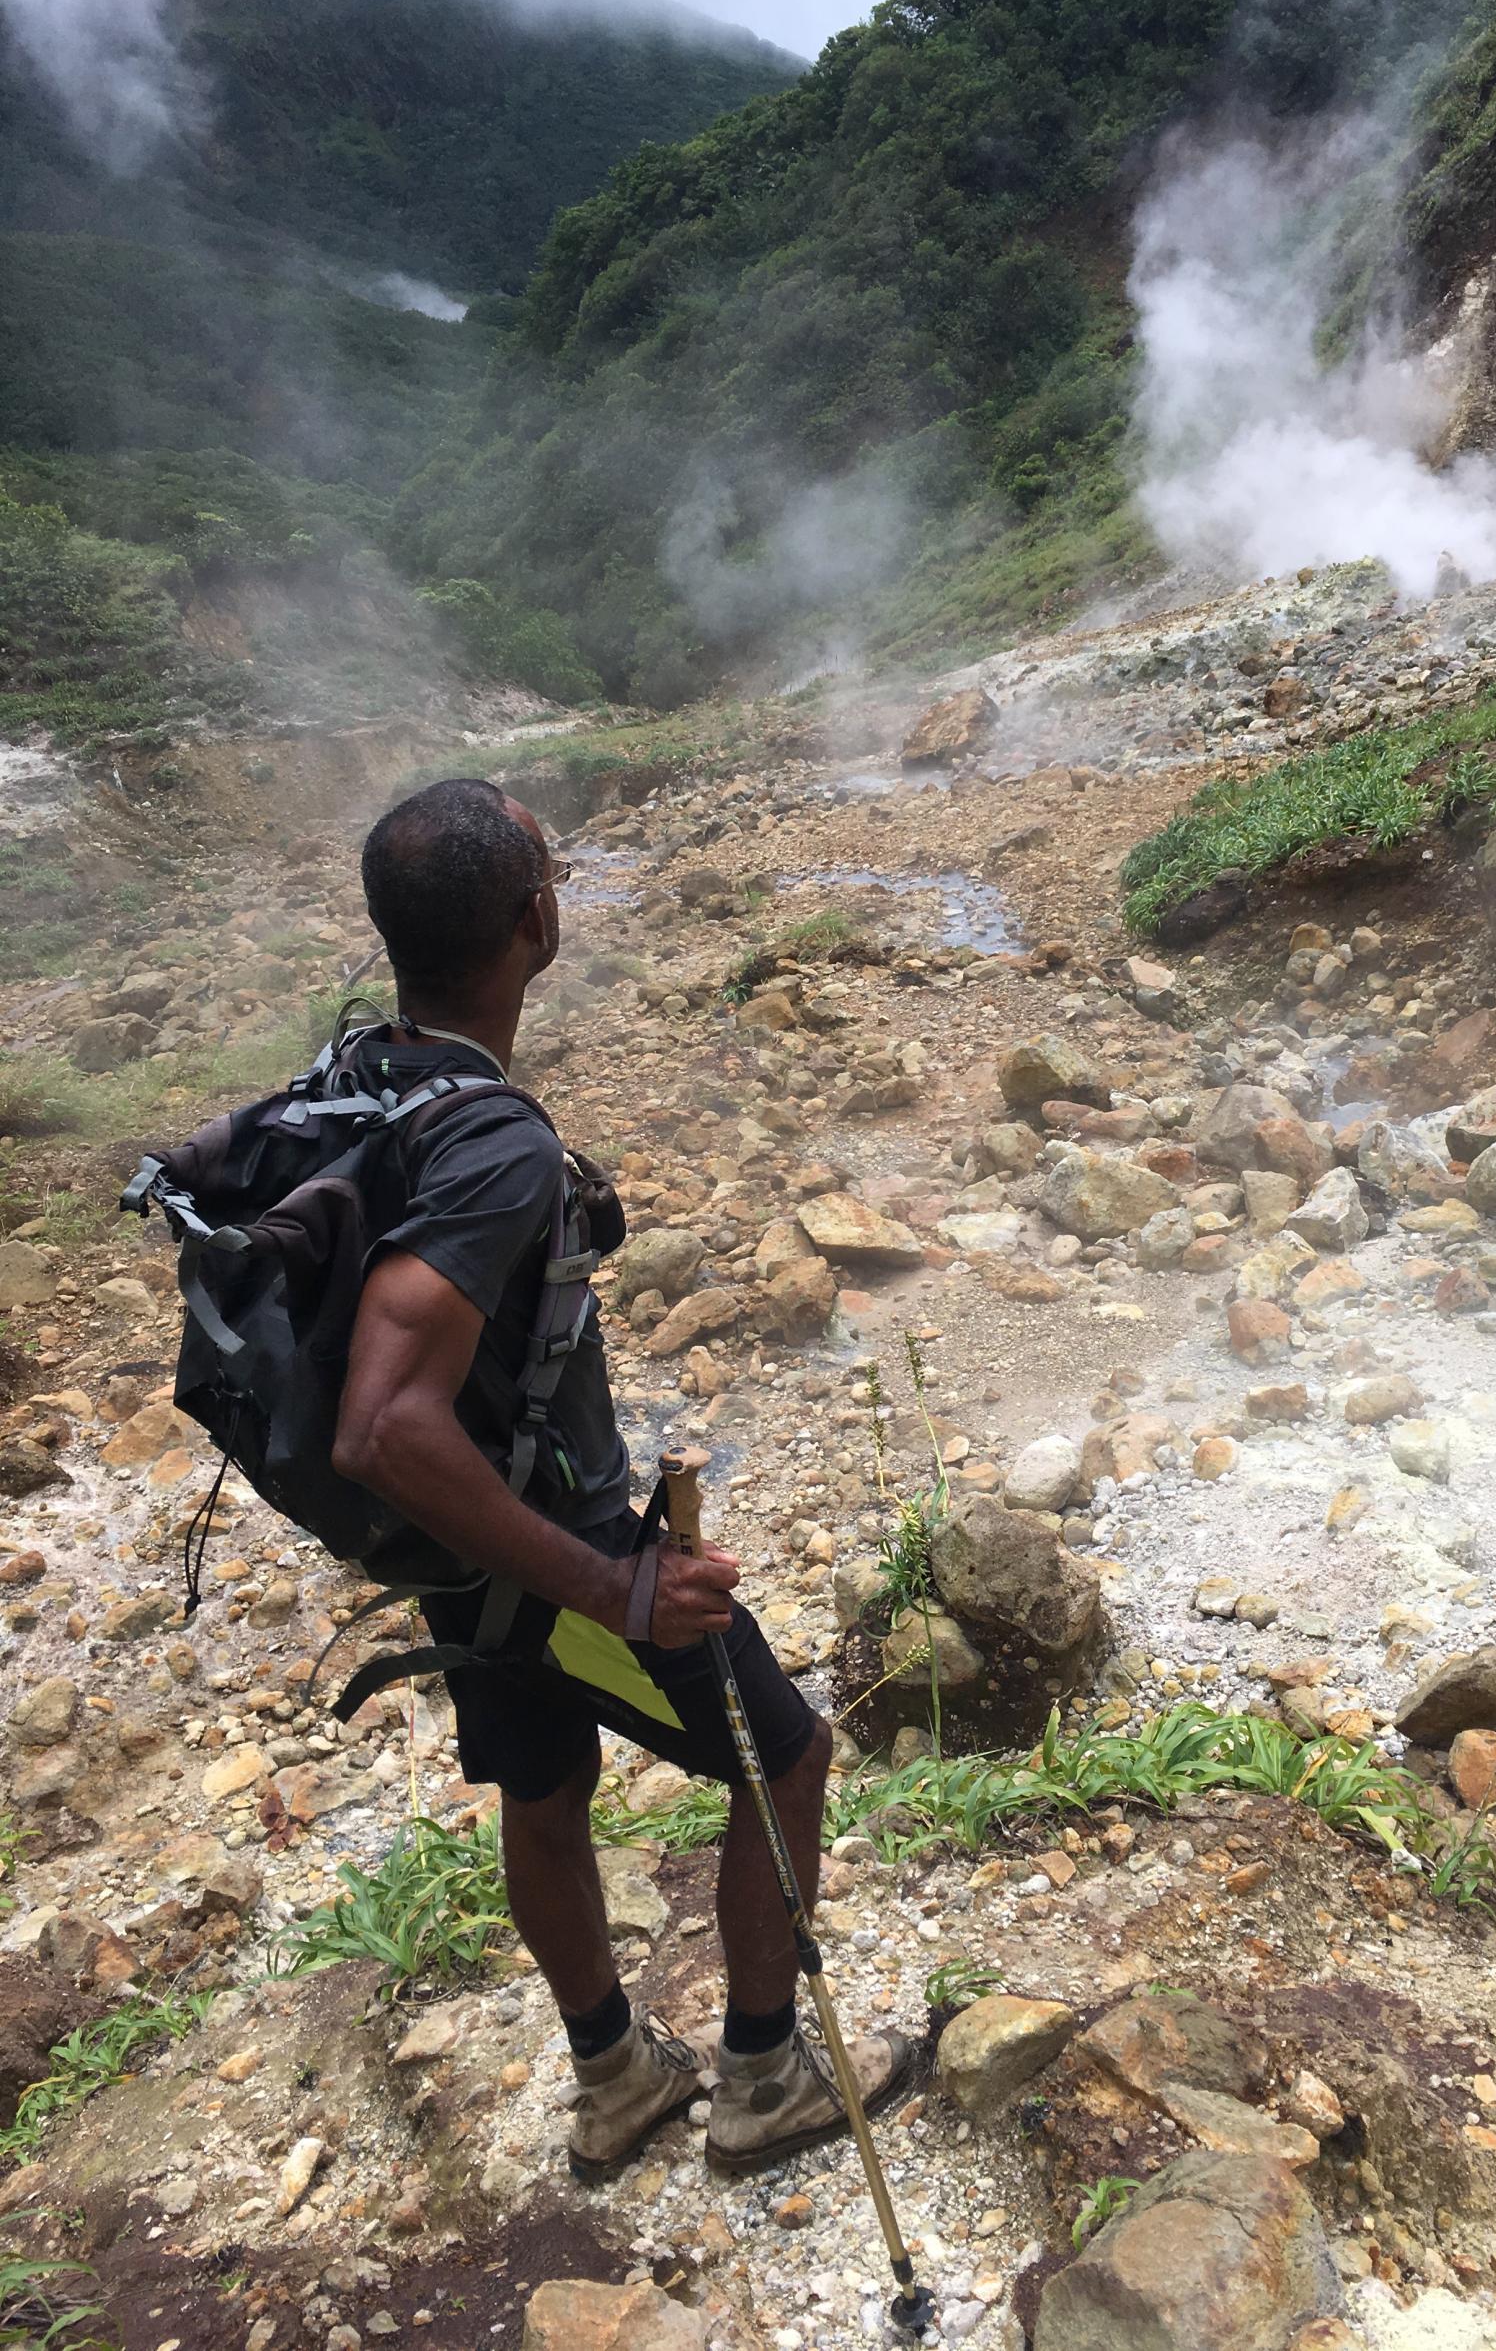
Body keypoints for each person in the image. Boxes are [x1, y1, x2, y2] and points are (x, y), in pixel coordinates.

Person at [330, 777, 907, 2182]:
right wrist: (616, 1585)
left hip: (456, 1543)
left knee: (543, 1785)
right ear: (535, 917)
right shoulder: (495, 1142)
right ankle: (764, 2075)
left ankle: (615, 2081)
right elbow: (384, 1424)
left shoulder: (361, 1072)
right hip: (544, 1538)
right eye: (551, 868)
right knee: (787, 1754)